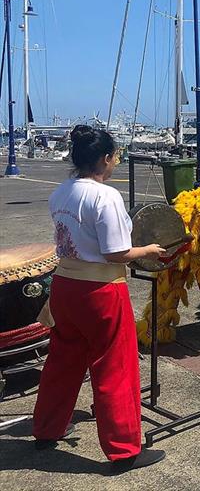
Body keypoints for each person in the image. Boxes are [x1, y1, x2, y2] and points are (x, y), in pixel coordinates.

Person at [34, 126, 166, 472]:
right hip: (100, 290)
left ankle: (46, 429)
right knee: (114, 367)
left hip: (64, 285)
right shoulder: (104, 196)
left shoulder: (61, 191)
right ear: (106, 159)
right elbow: (116, 252)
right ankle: (123, 449)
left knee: (62, 362)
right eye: (115, 157)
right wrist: (149, 249)